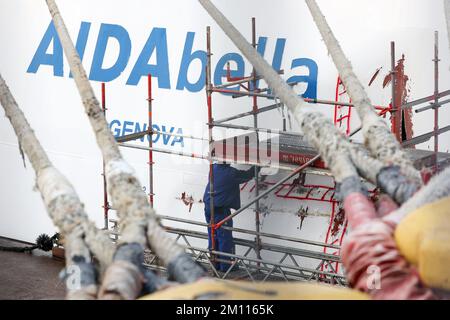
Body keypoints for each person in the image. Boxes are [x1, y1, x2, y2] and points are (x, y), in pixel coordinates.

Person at [203, 162, 258, 272]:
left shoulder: (213, 168)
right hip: (220, 210)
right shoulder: (230, 173)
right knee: (224, 238)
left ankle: (215, 263)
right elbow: (248, 175)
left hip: (209, 207)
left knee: (213, 236)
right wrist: (258, 166)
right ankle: (225, 266)